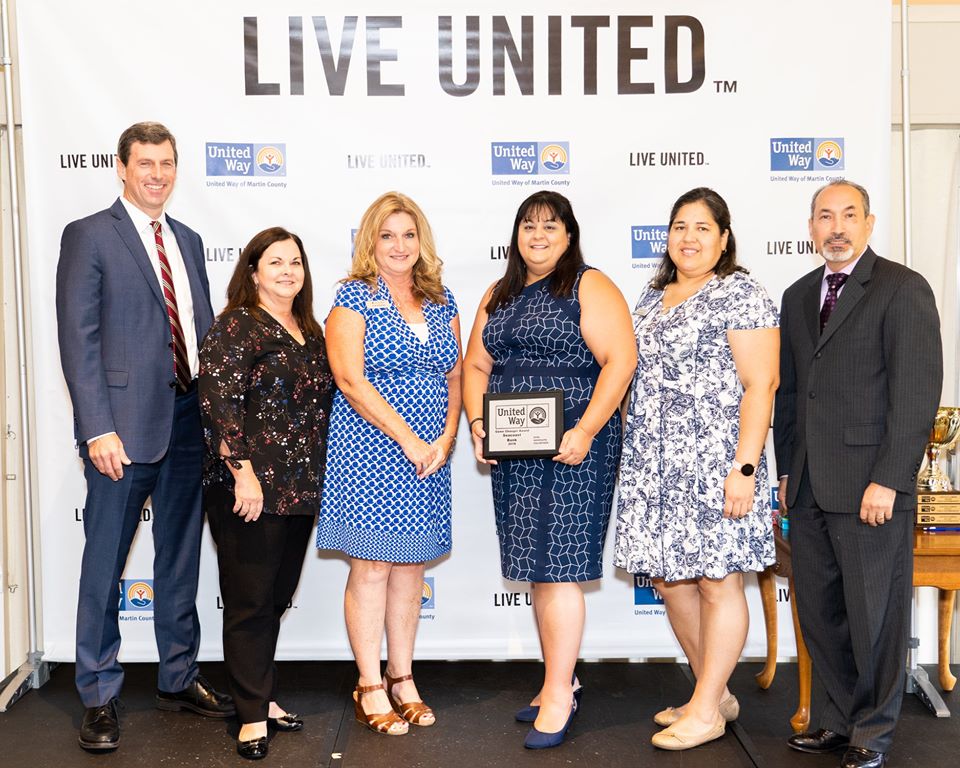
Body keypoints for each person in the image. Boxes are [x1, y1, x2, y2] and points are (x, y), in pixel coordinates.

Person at [56, 121, 233, 752]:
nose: (157, 174)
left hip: (188, 421)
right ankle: (99, 693)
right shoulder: (89, 236)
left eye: (167, 163)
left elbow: (200, 331)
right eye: (145, 164)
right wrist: (96, 427)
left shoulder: (187, 240)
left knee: (180, 557)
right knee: (105, 562)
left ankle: (178, 674)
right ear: (122, 168)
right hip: (121, 431)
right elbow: (79, 341)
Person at [774, 180, 942, 768]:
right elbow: (791, 396)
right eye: (825, 216)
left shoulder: (902, 288)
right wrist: (787, 473)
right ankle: (836, 721)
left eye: (849, 215)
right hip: (810, 485)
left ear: (870, 223)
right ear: (811, 226)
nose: (836, 227)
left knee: (875, 615)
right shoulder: (797, 296)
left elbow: (916, 392)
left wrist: (891, 479)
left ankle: (873, 730)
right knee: (821, 612)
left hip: (871, 484)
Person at [462, 190, 636, 750]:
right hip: (515, 447)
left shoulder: (589, 284)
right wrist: (476, 423)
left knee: (556, 565)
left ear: (569, 235)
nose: (538, 235)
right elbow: (476, 364)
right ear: (516, 235)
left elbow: (621, 360)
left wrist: (585, 430)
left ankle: (559, 693)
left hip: (574, 446)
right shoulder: (500, 292)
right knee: (535, 565)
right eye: (529, 226)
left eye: (551, 226)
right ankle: (561, 678)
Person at [613, 187, 779, 751]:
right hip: (654, 463)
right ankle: (715, 691)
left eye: (702, 228)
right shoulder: (651, 294)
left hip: (719, 460)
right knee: (668, 578)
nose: (688, 237)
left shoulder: (742, 293)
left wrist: (747, 467)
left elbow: (762, 385)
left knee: (717, 579)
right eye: (680, 226)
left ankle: (707, 708)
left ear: (724, 238)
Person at [316, 192, 462, 736]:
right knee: (372, 568)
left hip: (431, 455)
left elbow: (453, 378)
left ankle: (403, 679)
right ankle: (369, 683)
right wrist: (408, 437)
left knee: (411, 569)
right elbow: (350, 379)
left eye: (408, 234)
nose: (399, 246)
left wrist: (445, 438)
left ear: (421, 241)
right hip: (370, 449)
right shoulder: (352, 299)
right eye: (387, 235)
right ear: (369, 242)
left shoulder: (442, 299)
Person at [199, 227, 334, 759]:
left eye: (295, 262)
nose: (287, 271)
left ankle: (260, 693)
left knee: (275, 598)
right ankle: (251, 715)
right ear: (252, 272)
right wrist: (243, 473)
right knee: (251, 601)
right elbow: (217, 404)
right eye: (274, 262)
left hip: (300, 488)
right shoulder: (236, 326)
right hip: (248, 488)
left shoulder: (310, 330)